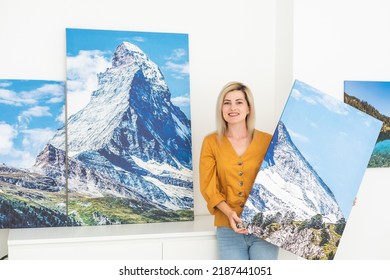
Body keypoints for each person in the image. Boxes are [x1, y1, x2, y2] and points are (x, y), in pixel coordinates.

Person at [199, 81, 279, 260]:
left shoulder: (268, 141)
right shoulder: (211, 142)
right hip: (228, 230)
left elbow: (289, 180)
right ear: (221, 108)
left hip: (264, 229)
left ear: (249, 108)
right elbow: (208, 187)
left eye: (239, 102)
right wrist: (229, 213)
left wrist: (340, 201)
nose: (232, 107)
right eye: (227, 102)